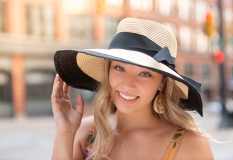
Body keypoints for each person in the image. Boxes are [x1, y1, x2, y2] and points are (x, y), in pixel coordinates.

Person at [51, 18, 214, 160]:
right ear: (108, 72)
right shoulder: (86, 133)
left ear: (162, 83)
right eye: (120, 68)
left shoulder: (192, 144)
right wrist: (65, 134)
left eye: (144, 73)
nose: (128, 84)